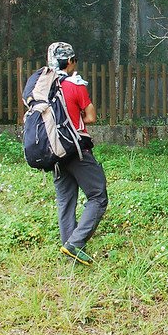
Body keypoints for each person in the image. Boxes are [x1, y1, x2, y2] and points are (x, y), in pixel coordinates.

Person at [47, 42, 108, 266]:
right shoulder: (75, 85)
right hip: (75, 148)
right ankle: (75, 243)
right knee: (98, 195)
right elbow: (91, 117)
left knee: (65, 201)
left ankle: (70, 248)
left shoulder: (43, 86)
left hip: (52, 151)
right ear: (70, 61)